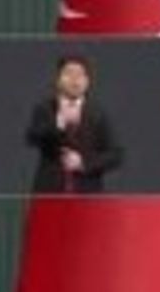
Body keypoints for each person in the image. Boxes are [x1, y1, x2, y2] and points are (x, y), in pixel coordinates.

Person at [25, 55, 123, 194]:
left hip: (87, 192)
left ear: (87, 82)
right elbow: (32, 138)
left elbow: (116, 154)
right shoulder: (45, 108)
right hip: (50, 190)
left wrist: (83, 163)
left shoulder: (98, 113)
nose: (74, 79)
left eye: (80, 75)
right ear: (58, 80)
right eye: (69, 73)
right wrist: (59, 124)